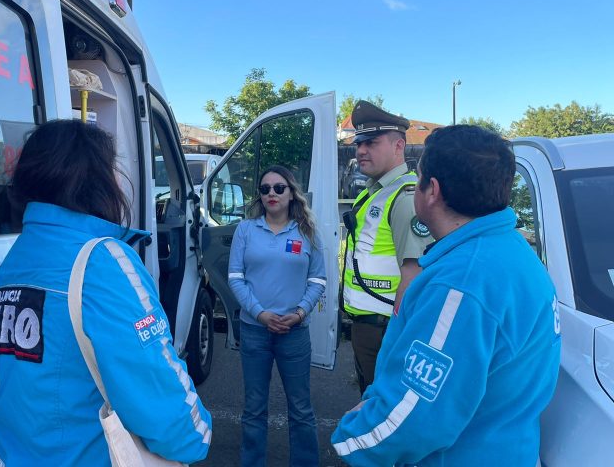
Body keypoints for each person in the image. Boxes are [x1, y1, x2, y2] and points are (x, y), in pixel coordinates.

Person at [331, 125, 561, 466]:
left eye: (419, 176)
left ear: (431, 190)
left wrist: (349, 439)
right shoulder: (511, 250)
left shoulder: (461, 283)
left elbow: (414, 418)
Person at [0, 120, 212, 466]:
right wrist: (197, 434)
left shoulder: (16, 258)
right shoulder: (102, 261)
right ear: (99, 181)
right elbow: (160, 396)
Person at [228, 165, 326, 467]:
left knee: (300, 409)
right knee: (254, 408)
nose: (271, 193)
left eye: (278, 187)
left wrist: (299, 313)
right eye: (265, 188)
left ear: (291, 192)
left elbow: (318, 279)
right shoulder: (246, 229)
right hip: (255, 331)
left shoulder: (307, 230)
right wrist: (259, 314)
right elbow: (235, 277)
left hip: (294, 332)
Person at [343, 101, 432, 393]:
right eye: (359, 143)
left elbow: (414, 275)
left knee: (383, 412)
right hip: (368, 327)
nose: (360, 150)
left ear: (398, 146)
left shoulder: (404, 196)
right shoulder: (375, 192)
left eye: (371, 142)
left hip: (387, 330)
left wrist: (397, 339)